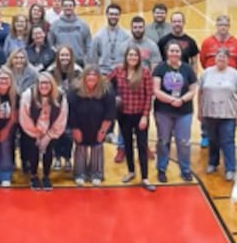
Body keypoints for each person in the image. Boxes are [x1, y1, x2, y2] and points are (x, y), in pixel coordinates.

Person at [151, 41, 198, 183]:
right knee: (163, 141)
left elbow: (193, 90)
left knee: (183, 142)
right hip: (163, 111)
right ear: (167, 52)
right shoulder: (160, 68)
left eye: (177, 51)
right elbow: (156, 90)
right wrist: (171, 100)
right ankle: (161, 169)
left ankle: (185, 169)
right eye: (172, 51)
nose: (174, 53)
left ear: (181, 53)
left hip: (184, 111)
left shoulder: (187, 69)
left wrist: (182, 100)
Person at [198, 47, 237, 180]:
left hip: (228, 114)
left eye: (223, 56)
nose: (221, 58)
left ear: (228, 59)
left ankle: (230, 168)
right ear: (215, 58)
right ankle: (213, 163)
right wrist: (200, 109)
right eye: (218, 56)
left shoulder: (234, 74)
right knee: (212, 140)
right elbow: (200, 92)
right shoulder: (206, 73)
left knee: (227, 141)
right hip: (210, 112)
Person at [112, 47, 157, 190]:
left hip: (139, 115)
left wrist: (145, 116)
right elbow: (105, 83)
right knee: (127, 144)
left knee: (142, 146)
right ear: (126, 56)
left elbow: (149, 96)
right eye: (130, 55)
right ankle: (131, 171)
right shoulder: (118, 70)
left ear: (139, 58)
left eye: (135, 55)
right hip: (123, 115)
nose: (132, 57)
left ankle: (145, 177)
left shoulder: (145, 73)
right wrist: (113, 98)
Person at [19, 74, 67, 191]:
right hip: (31, 130)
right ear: (37, 84)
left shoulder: (60, 96)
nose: (44, 86)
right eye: (41, 83)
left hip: (50, 129)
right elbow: (24, 117)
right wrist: (36, 134)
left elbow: (62, 118)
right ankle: (33, 175)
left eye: (47, 83)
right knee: (33, 150)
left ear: (52, 84)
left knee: (48, 150)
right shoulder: (28, 95)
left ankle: (46, 175)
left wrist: (49, 136)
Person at [69, 70, 115, 186]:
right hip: (79, 124)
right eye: (88, 75)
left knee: (97, 146)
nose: (91, 78)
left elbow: (110, 112)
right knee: (80, 147)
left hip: (99, 124)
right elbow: (71, 111)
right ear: (83, 78)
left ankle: (97, 174)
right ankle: (79, 174)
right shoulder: (74, 90)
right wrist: (75, 129)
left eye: (94, 76)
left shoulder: (107, 90)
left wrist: (103, 130)